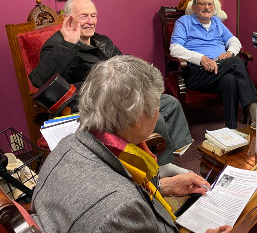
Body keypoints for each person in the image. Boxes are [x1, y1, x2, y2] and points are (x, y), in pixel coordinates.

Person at [31, 55, 231, 233]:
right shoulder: (122, 210)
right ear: (137, 118)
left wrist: (162, 186)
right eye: (156, 106)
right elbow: (114, 201)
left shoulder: (67, 145)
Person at [29, 0, 192, 169]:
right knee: (152, 114)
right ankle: (163, 166)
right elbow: (41, 80)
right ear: (68, 18)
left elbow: (122, 65)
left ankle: (171, 153)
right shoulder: (57, 45)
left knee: (170, 103)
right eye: (84, 16)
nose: (90, 21)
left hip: (120, 94)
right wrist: (68, 44)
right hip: (93, 104)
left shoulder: (102, 40)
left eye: (94, 16)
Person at [169, 0, 257, 128]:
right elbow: (174, 48)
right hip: (197, 72)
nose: (207, 7)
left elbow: (235, 41)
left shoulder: (217, 22)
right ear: (194, 8)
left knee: (230, 80)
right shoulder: (184, 22)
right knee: (236, 62)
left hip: (219, 70)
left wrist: (229, 53)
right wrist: (202, 59)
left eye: (210, 4)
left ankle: (231, 129)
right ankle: (255, 111)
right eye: (202, 4)